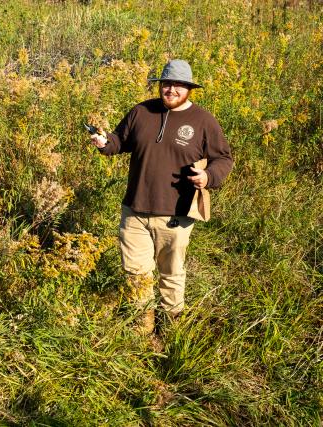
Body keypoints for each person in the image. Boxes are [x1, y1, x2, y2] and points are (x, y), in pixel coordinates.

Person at [90, 59, 233, 334]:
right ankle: (142, 331)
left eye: (178, 85)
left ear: (189, 88)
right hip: (135, 210)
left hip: (176, 215)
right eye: (167, 84)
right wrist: (105, 142)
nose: (171, 90)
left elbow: (223, 159)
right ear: (160, 85)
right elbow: (121, 140)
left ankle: (169, 330)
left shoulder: (203, 121)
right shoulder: (141, 111)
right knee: (136, 275)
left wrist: (208, 177)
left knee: (171, 274)